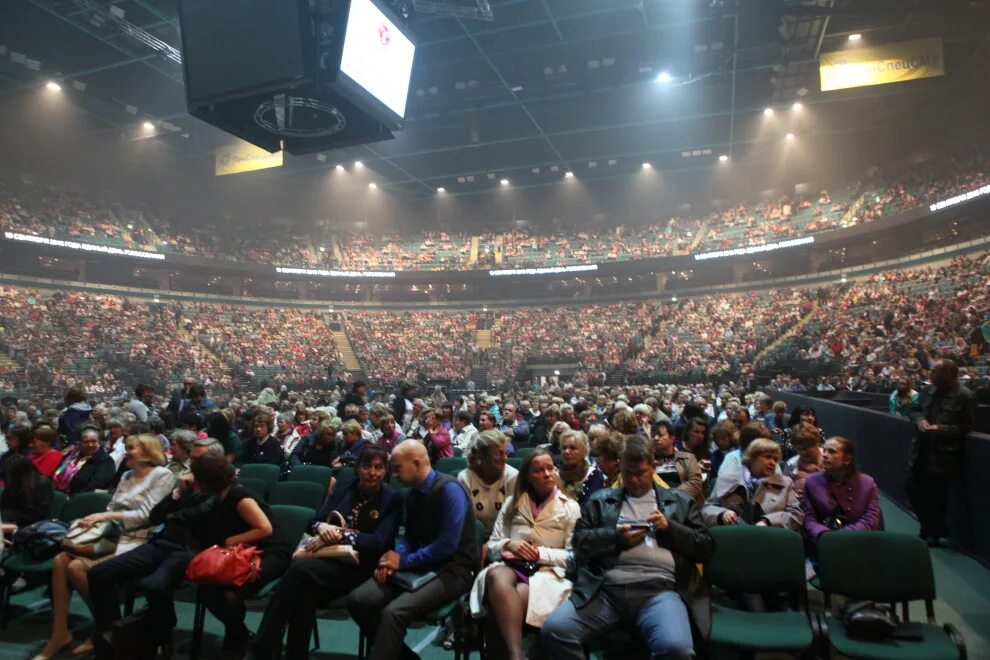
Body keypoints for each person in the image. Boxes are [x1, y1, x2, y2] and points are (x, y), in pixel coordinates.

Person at [541, 435, 715, 659]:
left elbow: (706, 547)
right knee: (555, 630)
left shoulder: (679, 501)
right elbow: (579, 543)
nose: (633, 480)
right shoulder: (601, 500)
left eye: (640, 473)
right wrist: (615, 538)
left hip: (660, 591)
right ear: (620, 467)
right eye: (627, 473)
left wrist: (670, 528)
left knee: (677, 648)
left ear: (653, 467)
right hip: (606, 590)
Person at [252, 445, 402, 660]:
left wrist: (341, 535)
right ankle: (295, 655)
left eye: (378, 467)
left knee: (299, 572)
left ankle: (263, 647)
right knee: (303, 592)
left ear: (385, 470)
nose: (372, 472)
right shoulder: (345, 488)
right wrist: (323, 529)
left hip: (362, 566)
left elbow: (379, 542)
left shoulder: (392, 499)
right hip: (329, 560)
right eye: (366, 466)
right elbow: (313, 523)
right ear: (357, 468)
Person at [35, 434, 175, 660]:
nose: (125, 451)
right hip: (112, 535)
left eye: (131, 448)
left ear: (148, 451)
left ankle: (106, 629)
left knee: (75, 568)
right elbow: (112, 505)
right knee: (61, 560)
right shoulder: (128, 475)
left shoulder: (163, 475)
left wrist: (105, 514)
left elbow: (147, 516)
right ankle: (62, 632)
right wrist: (96, 520)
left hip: (139, 540)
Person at [88, 438, 227, 658]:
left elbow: (196, 518)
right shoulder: (185, 486)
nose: (193, 464)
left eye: (200, 460)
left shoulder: (221, 488)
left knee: (154, 586)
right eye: (193, 458)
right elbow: (155, 515)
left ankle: (162, 638)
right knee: (99, 573)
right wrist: (177, 494)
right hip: (163, 542)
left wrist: (177, 509)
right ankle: (113, 632)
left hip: (192, 550)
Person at [347, 440, 478, 660]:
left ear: (416, 463)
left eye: (397, 468)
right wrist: (395, 556)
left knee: (394, 613)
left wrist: (404, 562)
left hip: (454, 569)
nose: (394, 475)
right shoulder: (413, 494)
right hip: (422, 564)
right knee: (359, 600)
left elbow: (447, 546)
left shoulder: (450, 490)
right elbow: (409, 537)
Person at [469, 449, 580, 660]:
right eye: (539, 470)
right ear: (528, 476)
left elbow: (573, 557)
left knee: (498, 608)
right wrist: (509, 544)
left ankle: (514, 654)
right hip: (510, 566)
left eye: (550, 468)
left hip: (548, 574)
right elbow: (493, 544)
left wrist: (539, 553)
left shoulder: (570, 507)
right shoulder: (512, 503)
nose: (547, 474)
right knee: (495, 576)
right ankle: (517, 655)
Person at [190, 455, 292, 657]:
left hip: (271, 551)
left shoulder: (239, 496)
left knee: (230, 594)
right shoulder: (220, 497)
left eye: (197, 479)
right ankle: (241, 634)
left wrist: (230, 541)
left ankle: (237, 639)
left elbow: (265, 529)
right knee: (207, 590)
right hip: (244, 552)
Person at [906, 358, 976, 547]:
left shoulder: (965, 395)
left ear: (949, 374)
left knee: (935, 496)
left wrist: (940, 429)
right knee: (911, 487)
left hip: (943, 454)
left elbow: (966, 426)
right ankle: (930, 526)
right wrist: (919, 419)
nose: (931, 374)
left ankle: (932, 533)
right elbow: (913, 409)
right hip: (921, 449)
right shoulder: (928, 390)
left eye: (936, 371)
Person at [802, 437, 881, 554]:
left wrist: (841, 537)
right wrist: (823, 535)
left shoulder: (867, 483)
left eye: (832, 452)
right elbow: (809, 517)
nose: (824, 455)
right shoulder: (812, 481)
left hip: (859, 543)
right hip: (824, 544)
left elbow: (871, 519)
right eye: (824, 450)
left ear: (848, 460)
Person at [703, 438, 803, 531]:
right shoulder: (727, 478)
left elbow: (797, 515)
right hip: (733, 540)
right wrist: (722, 514)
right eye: (768, 457)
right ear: (752, 457)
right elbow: (706, 510)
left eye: (775, 459)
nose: (773, 462)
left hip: (770, 541)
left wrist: (769, 521)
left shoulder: (785, 483)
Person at [458, 429, 519, 537]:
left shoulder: (512, 476)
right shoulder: (465, 478)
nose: (505, 458)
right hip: (474, 536)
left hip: (504, 537)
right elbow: (462, 520)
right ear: (482, 456)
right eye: (498, 454)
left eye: (505, 453)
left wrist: (496, 544)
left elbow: (516, 520)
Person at [51, 424, 116, 495]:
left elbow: (95, 486)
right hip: (59, 494)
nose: (90, 445)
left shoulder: (105, 461)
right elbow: (56, 471)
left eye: (94, 441)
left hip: (82, 499)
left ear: (99, 442)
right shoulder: (71, 455)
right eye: (86, 441)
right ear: (80, 442)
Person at [651, 420, 704, 503]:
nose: (656, 438)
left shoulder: (688, 458)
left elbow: (695, 483)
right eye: (653, 436)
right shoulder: (646, 461)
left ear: (672, 438)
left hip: (682, 502)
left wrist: (671, 495)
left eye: (660, 435)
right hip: (655, 502)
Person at [0, 455, 54, 534]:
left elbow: (38, 514)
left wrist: (10, 515)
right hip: (11, 522)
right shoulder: (14, 483)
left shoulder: (42, 484)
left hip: (31, 527)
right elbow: (4, 504)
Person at [558, 429, 607, 504]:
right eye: (564, 448)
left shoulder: (595, 475)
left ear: (584, 451)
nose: (566, 452)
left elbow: (592, 507)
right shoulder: (555, 476)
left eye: (573, 448)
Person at [783, 422, 823, 498]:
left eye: (808, 446)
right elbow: (784, 490)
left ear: (818, 443)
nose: (804, 452)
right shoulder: (791, 464)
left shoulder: (828, 458)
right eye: (800, 449)